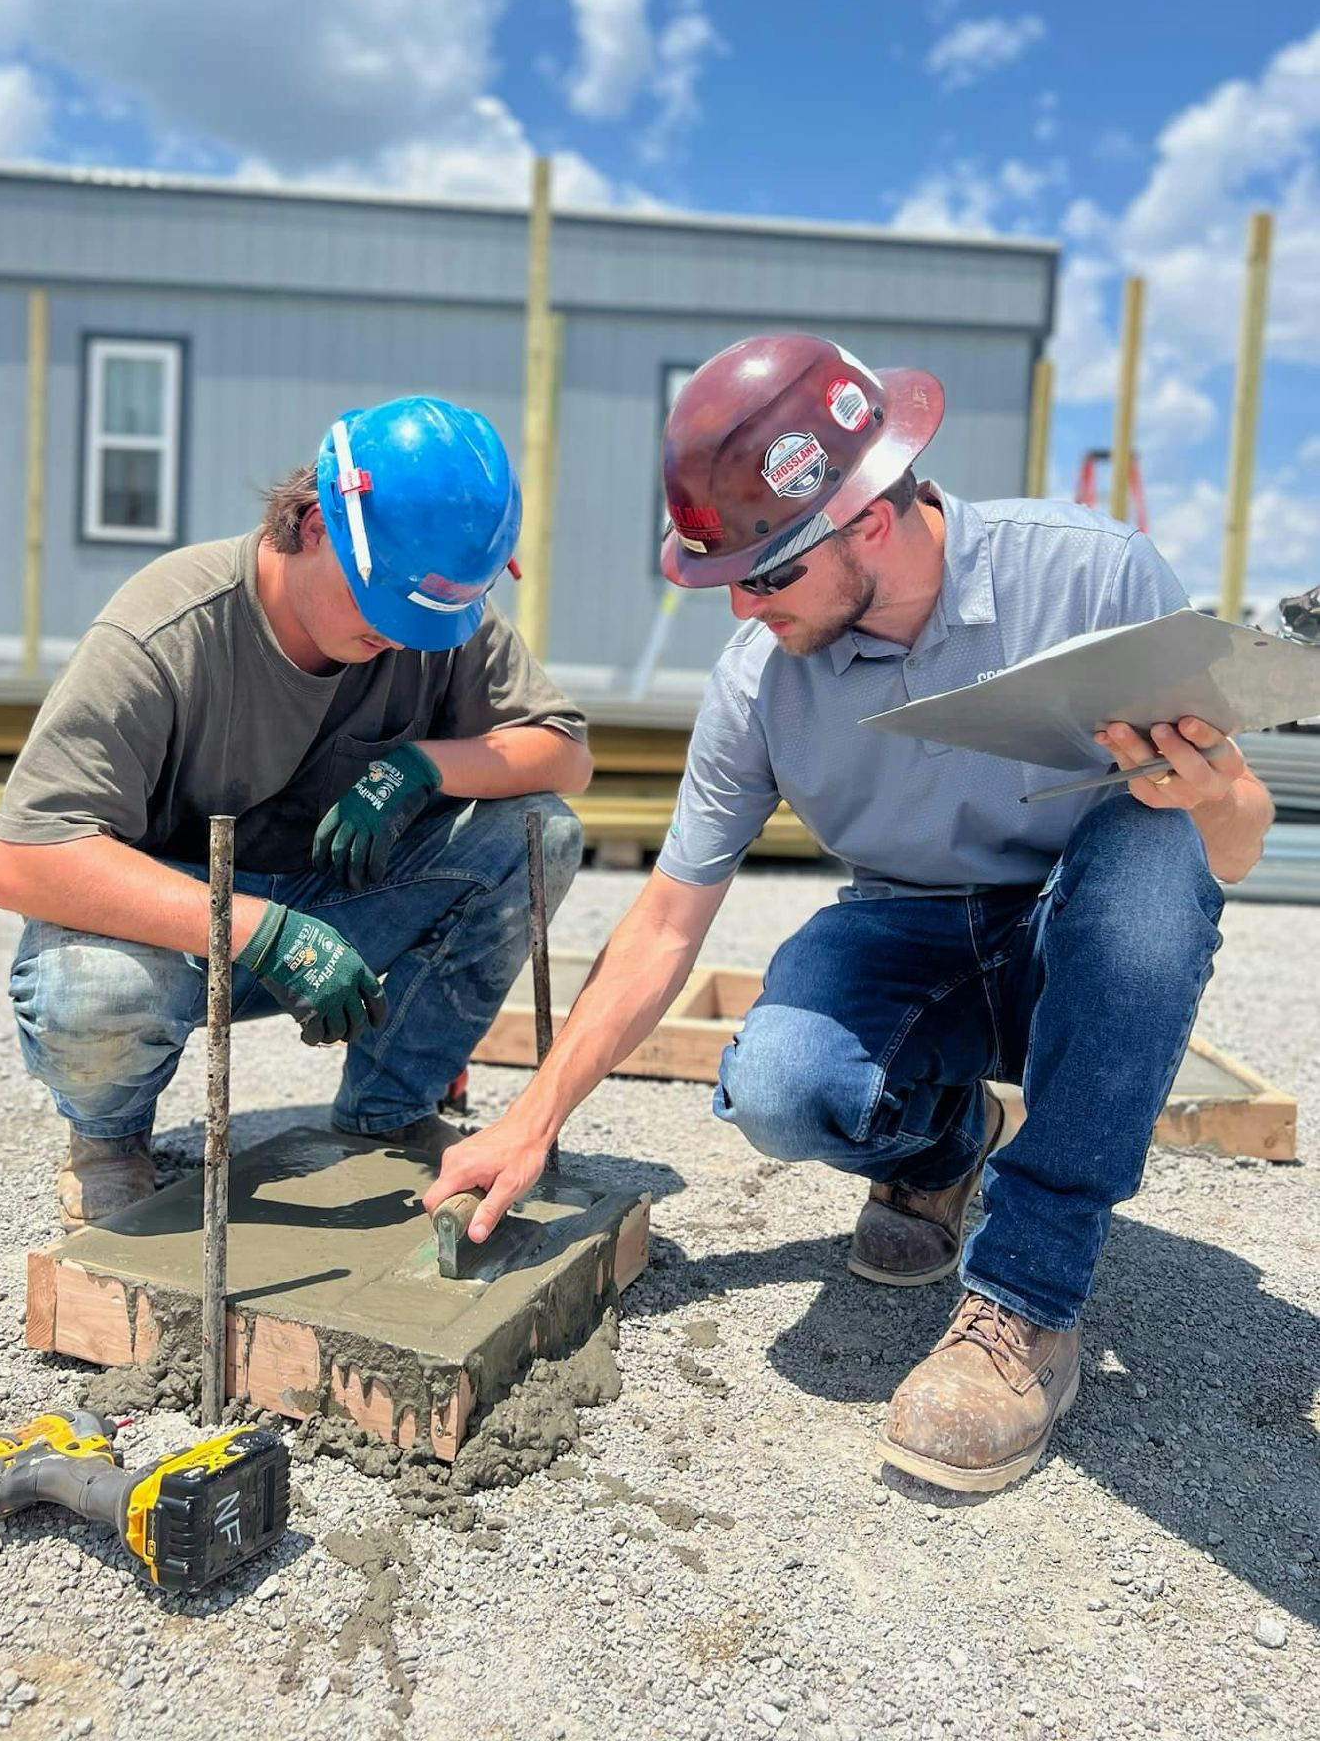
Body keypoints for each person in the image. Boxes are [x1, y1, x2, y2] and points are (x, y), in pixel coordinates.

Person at [427, 335, 1274, 1494]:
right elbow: (668, 921)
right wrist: (530, 1118)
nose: (740, 601)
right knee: (779, 1082)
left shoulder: (1094, 578)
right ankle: (945, 1145)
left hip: (1071, 941)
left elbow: (1228, 848)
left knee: (1153, 844)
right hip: (913, 937)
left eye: (766, 571)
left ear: (872, 515)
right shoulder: (758, 678)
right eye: (721, 572)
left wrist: (1215, 796)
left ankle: (1027, 1299)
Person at [0, 395, 591, 1231]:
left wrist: (420, 768)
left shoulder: (431, 614)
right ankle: (109, 1143)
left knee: (539, 832)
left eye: (424, 619)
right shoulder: (166, 628)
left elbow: (564, 753)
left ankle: (389, 1110)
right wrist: (258, 930)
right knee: (89, 987)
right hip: (182, 938)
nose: (404, 637)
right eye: (385, 608)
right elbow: (27, 856)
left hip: (341, 907)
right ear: (312, 524)